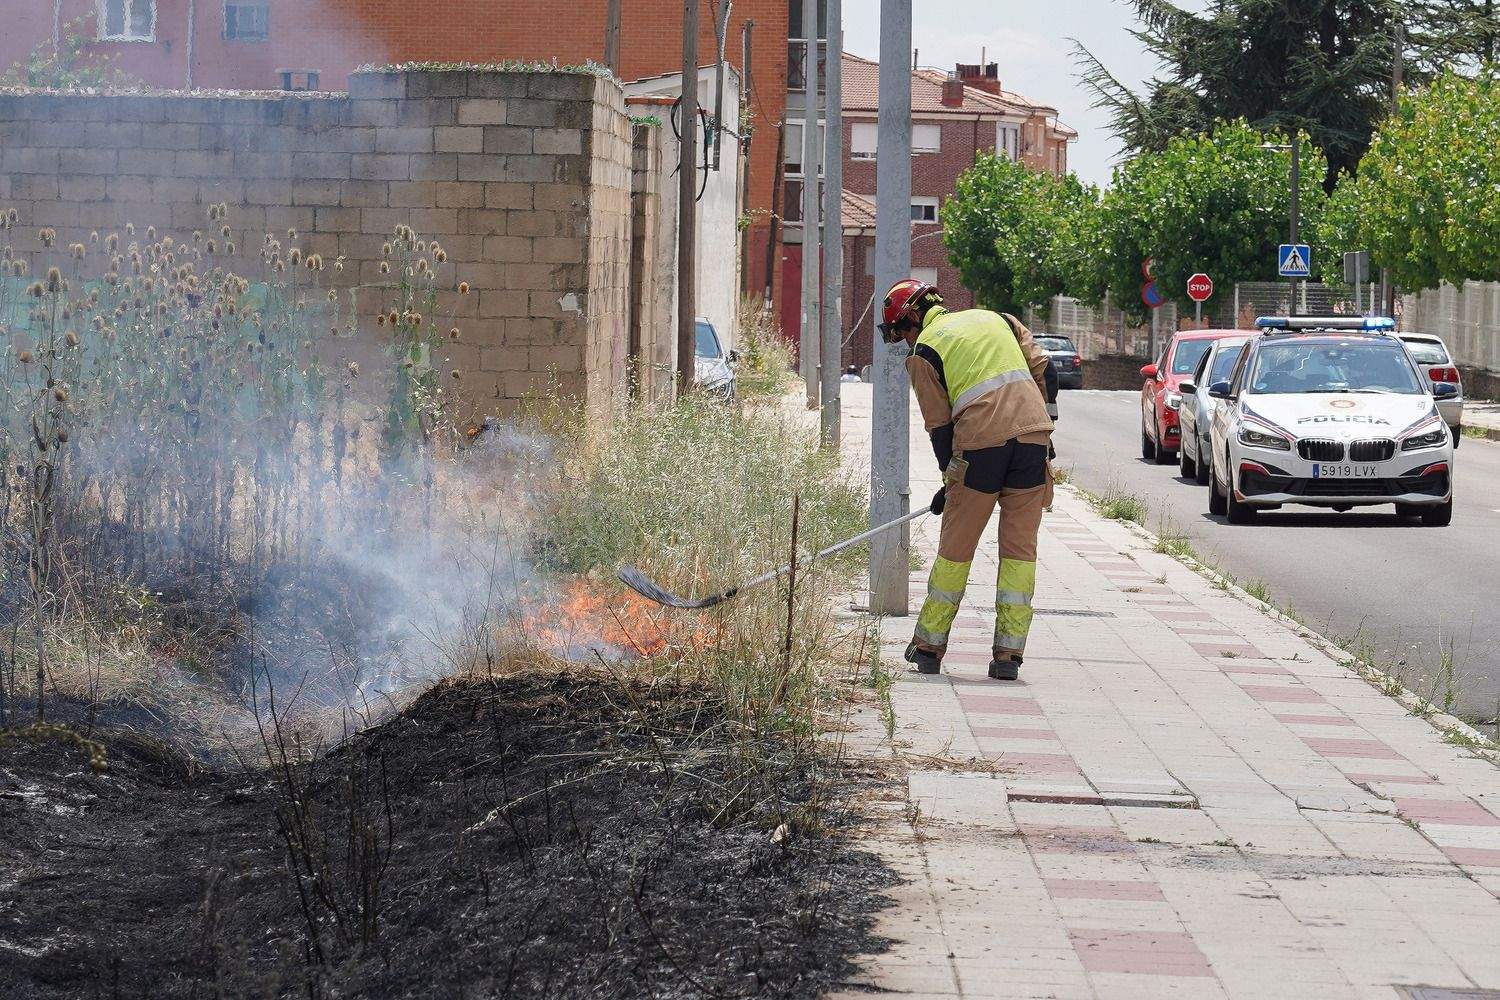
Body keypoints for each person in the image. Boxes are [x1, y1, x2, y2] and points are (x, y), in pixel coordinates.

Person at [878, 278, 1058, 681]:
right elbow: (1046, 370)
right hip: (1033, 443)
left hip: (982, 448)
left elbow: (940, 429)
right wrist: (1048, 432)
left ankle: (929, 646)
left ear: (911, 320)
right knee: (1019, 550)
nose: (905, 342)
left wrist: (950, 481)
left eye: (901, 333)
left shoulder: (925, 352)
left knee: (956, 548)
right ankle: (1009, 655)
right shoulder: (1001, 320)